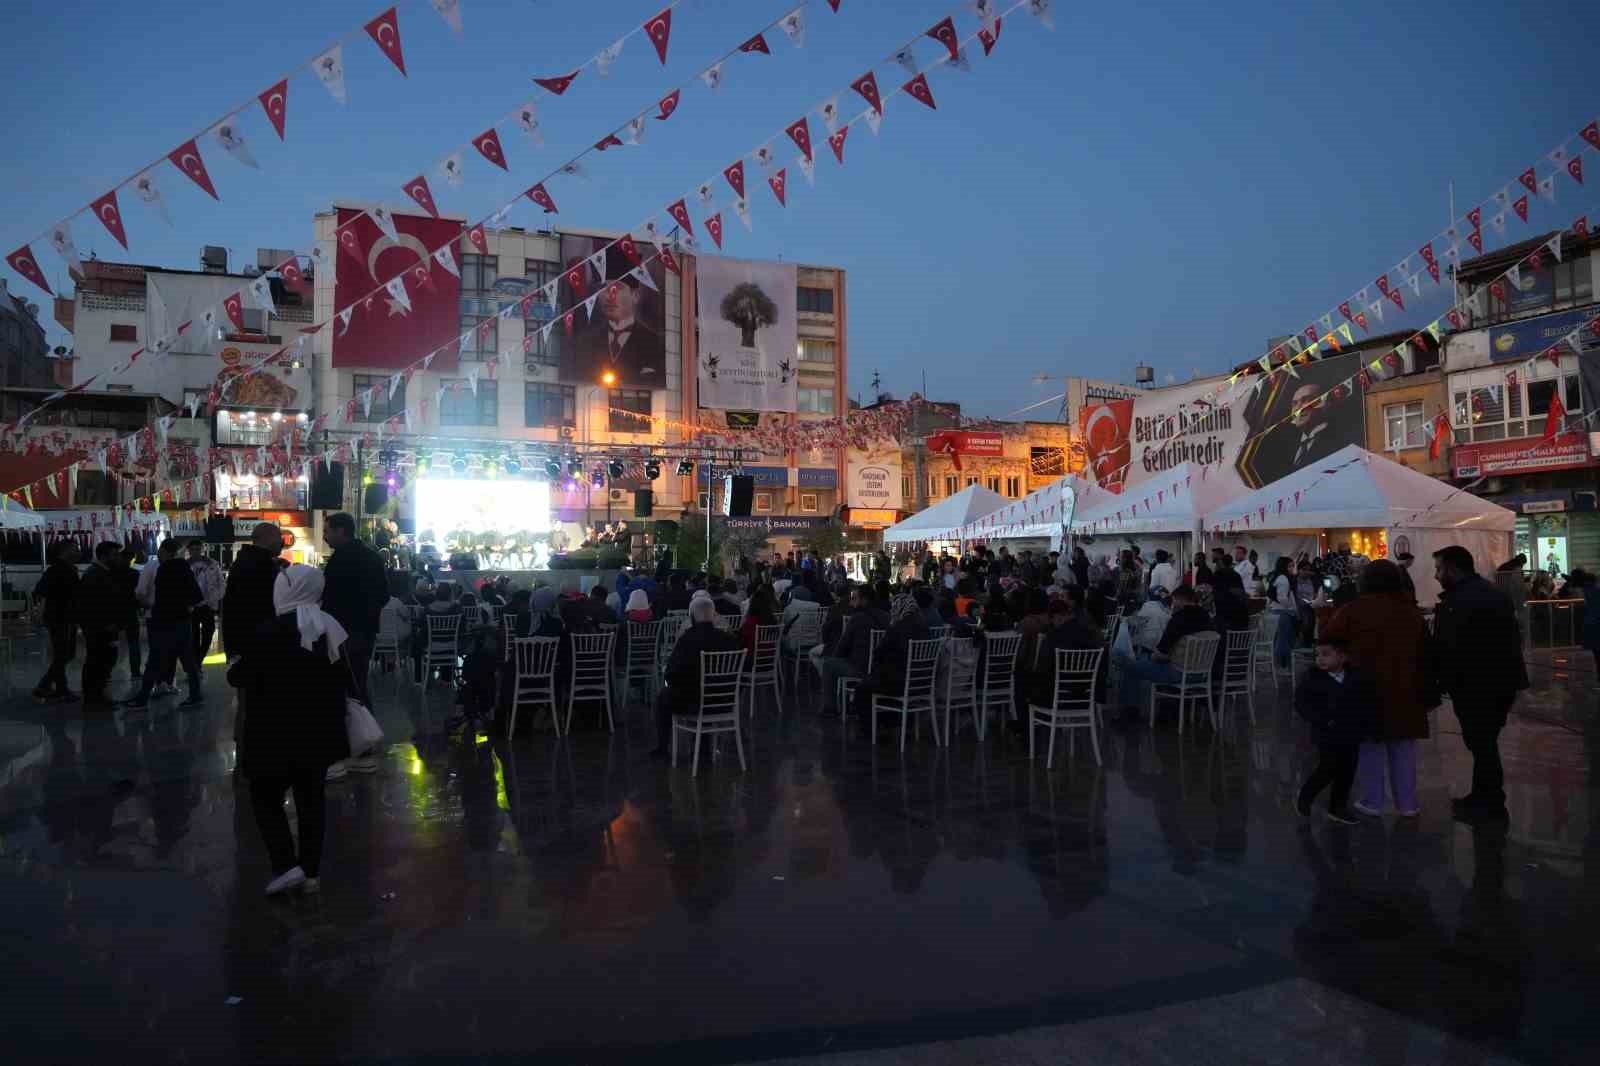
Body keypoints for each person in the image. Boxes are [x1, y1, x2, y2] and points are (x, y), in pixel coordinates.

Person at [236, 564, 351, 896]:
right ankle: (311, 872)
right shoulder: (331, 629)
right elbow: (344, 676)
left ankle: (286, 864)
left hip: (273, 732)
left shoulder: (269, 630)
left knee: (265, 797)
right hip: (319, 732)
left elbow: (240, 675)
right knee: (311, 800)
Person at [1322, 560, 1433, 818]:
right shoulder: (1411, 612)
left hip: (1366, 687)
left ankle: (1373, 801)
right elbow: (1426, 652)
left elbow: (1328, 636)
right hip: (1406, 688)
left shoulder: (1354, 610)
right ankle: (1407, 803)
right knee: (1403, 747)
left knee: (1370, 746)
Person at [1431, 545, 1527, 824]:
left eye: (1438, 569)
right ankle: (1482, 795)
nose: (1436, 575)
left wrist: (1442, 677)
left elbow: (1454, 646)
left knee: (1482, 743)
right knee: (1483, 742)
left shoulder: (1463, 599)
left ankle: (1491, 802)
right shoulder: (1488, 593)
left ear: (1452, 568)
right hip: (1496, 682)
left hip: (1477, 684)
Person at [1294, 636, 1376, 824]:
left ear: (1342, 657)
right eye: (1318, 655)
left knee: (1347, 772)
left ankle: (1337, 808)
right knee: (1328, 768)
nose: (1320, 659)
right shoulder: (1313, 678)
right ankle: (1306, 795)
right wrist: (1321, 719)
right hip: (1327, 734)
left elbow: (1366, 702)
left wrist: (1366, 724)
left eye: (1326, 654)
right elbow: (1301, 703)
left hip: (1351, 734)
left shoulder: (1356, 677)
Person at [651, 597, 740, 758]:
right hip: (725, 702)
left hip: (694, 703)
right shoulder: (729, 639)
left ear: (691, 616)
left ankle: (663, 747)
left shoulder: (687, 639)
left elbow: (671, 673)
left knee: (664, 697)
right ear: (713, 615)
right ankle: (703, 747)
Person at [124, 538, 204, 709]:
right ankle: (195, 695)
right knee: (188, 661)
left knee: (155, 659)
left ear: (164, 551)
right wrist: (185, 608)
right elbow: (197, 596)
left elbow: (157, 598)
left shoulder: (164, 569)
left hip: (164, 622)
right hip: (181, 621)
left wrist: (157, 607)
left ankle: (143, 697)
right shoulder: (184, 568)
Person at [321, 512, 389, 711]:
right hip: (366, 630)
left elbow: (330, 597)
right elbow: (384, 595)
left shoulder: (340, 560)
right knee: (359, 680)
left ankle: (357, 732)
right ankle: (365, 730)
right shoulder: (372, 557)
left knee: (348, 684)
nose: (325, 536)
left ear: (340, 531)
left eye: (327, 531)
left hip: (343, 632)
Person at [1112, 584, 1213, 710]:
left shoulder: (1178, 619)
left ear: (1180, 599)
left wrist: (1151, 657)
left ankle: (1129, 711)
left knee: (1129, 664)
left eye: (1174, 600)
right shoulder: (1206, 617)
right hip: (1202, 673)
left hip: (1177, 673)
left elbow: (1161, 654)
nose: (1173, 603)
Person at [819, 585, 889, 715]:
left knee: (828, 664)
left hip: (860, 669)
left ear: (864, 600)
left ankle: (830, 707)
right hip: (880, 669)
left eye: (854, 599)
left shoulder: (856, 618)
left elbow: (841, 648)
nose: (851, 603)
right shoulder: (886, 617)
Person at [223, 522, 284, 660]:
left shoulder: (250, 562)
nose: (282, 541)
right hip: (257, 643)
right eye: (279, 536)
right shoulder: (260, 566)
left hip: (248, 641)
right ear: (268, 538)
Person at [74, 542, 125, 707]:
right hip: (100, 628)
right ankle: (93, 698)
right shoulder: (94, 575)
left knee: (104, 661)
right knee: (97, 662)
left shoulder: (104, 573)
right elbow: (91, 605)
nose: (118, 558)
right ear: (103, 556)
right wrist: (105, 623)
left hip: (105, 627)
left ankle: (99, 696)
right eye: (114, 554)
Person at [33, 540, 81, 702]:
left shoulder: (67, 569)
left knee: (65, 654)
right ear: (66, 551)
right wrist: (41, 612)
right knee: (64, 654)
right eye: (76, 549)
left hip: (65, 618)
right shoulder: (57, 570)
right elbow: (40, 592)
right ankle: (52, 687)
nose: (78, 552)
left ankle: (53, 687)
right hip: (61, 619)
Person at [186, 541, 224, 661]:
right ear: (189, 551)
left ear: (202, 549)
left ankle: (200, 657)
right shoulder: (184, 565)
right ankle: (196, 661)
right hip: (191, 606)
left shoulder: (212, 564)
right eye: (193, 549)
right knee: (194, 635)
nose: (196, 552)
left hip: (208, 605)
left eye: (198, 549)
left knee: (209, 632)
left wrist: (215, 599)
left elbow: (221, 584)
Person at [1266, 556, 1298, 669]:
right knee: (1283, 640)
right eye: (1290, 566)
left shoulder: (1275, 577)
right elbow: (1282, 598)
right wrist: (1291, 608)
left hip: (1275, 611)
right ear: (1284, 566)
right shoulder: (1283, 578)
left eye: (1293, 566)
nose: (1292, 568)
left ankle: (1279, 664)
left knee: (1279, 640)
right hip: (1282, 612)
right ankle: (1281, 665)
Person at [116, 548, 142, 681]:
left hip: (115, 612)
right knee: (133, 643)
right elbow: (139, 594)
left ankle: (108, 671)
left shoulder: (111, 573)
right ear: (132, 560)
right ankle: (136, 672)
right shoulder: (135, 574)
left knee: (112, 642)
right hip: (130, 611)